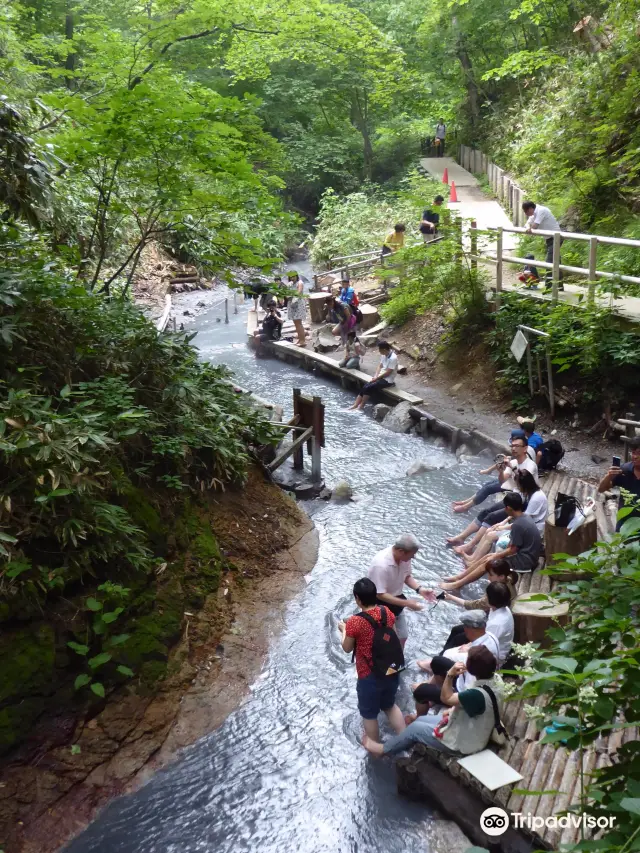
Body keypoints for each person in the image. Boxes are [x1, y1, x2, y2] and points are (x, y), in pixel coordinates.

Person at [363, 646, 503, 757]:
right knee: (421, 720)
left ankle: (383, 749)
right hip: (473, 728)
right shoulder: (496, 680)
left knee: (413, 730)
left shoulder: (475, 694)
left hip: (465, 743)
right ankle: (398, 745)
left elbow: (446, 698)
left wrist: (450, 675)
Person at [338, 578, 406, 742]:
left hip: (369, 674)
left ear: (357, 598)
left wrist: (344, 630)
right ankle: (406, 740)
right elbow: (394, 636)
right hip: (391, 668)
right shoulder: (387, 612)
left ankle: (375, 751)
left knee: (369, 715)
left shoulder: (355, 621)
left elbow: (347, 648)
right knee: (390, 706)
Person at [448, 436, 538, 548]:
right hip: (515, 497)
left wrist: (511, 467)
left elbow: (524, 480)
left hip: (525, 503)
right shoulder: (514, 462)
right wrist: (500, 471)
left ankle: (470, 546)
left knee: (491, 517)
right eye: (512, 446)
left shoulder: (530, 465)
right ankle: (461, 538)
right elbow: (502, 481)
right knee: (485, 512)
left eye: (517, 446)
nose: (513, 448)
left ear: (525, 448)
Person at [440, 492, 543, 591]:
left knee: (489, 563)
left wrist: (496, 556)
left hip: (525, 562)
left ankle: (457, 584)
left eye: (505, 507)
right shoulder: (524, 517)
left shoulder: (518, 524)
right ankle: (459, 577)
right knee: (487, 557)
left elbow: (513, 550)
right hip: (527, 555)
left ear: (509, 508)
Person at [367, 534, 436, 649]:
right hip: (379, 602)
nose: (413, 557)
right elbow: (379, 594)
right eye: (412, 554)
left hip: (396, 599)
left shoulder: (404, 558)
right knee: (385, 638)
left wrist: (420, 590)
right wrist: (407, 603)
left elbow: (407, 576)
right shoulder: (380, 565)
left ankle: (398, 660)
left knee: (402, 636)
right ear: (401, 551)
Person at [417, 609, 500, 676]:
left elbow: (469, 671)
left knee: (438, 661)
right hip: (477, 663)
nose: (464, 628)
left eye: (465, 626)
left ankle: (435, 669)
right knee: (457, 630)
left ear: (469, 629)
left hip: (471, 673)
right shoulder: (491, 635)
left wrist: (454, 656)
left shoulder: (476, 655)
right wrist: (469, 646)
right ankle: (440, 658)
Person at [444, 557, 517, 612]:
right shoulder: (509, 579)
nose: (488, 577)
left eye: (491, 575)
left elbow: (472, 605)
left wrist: (451, 597)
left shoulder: (497, 592)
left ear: (501, 576)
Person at [598, 436, 640, 531]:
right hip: (624, 524)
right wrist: (609, 476)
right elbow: (601, 489)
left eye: (639, 453)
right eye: (633, 453)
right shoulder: (624, 470)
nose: (635, 456)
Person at [522, 200, 564, 291]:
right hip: (549, 239)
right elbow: (527, 224)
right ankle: (559, 286)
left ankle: (548, 286)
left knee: (549, 261)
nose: (526, 214)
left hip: (556, 238)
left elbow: (535, 225)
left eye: (526, 212)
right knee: (556, 261)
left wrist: (530, 229)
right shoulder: (534, 214)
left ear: (530, 209)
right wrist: (528, 227)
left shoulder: (541, 211)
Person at [350, 340, 398, 411]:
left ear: (384, 349)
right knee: (366, 386)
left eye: (380, 350)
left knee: (370, 387)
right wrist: (376, 376)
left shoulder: (393, 358)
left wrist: (377, 378)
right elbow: (380, 366)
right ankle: (355, 405)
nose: (379, 351)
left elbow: (388, 372)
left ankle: (361, 406)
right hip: (380, 377)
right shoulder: (383, 355)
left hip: (388, 380)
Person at [485, 582, 514, 666]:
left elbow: (486, 645)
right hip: (489, 638)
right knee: (457, 630)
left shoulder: (497, 624)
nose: (485, 597)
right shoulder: (503, 609)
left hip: (494, 657)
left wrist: (468, 646)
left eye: (486, 595)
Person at [286, 271, 307, 347]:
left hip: (298, 304)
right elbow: (286, 293)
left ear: (296, 276)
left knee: (299, 323)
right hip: (291, 303)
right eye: (291, 277)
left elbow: (299, 292)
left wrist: (291, 295)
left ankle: (303, 341)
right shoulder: (290, 284)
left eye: (294, 276)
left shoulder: (300, 283)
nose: (292, 278)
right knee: (295, 323)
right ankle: (300, 339)